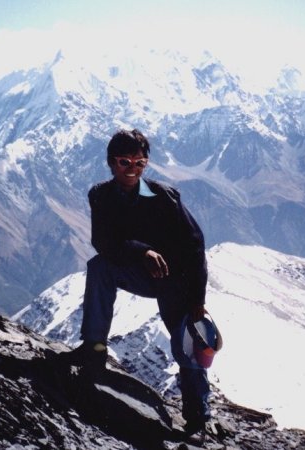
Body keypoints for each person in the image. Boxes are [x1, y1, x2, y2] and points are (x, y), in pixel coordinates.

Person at [61, 128, 210, 435]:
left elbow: (195, 246)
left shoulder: (164, 197)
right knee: (100, 267)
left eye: (139, 163)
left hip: (175, 280)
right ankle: (94, 348)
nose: (132, 170)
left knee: (187, 339)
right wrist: (143, 252)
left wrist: (197, 299)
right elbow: (102, 240)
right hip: (139, 271)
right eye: (124, 162)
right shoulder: (100, 196)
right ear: (111, 163)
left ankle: (197, 416)